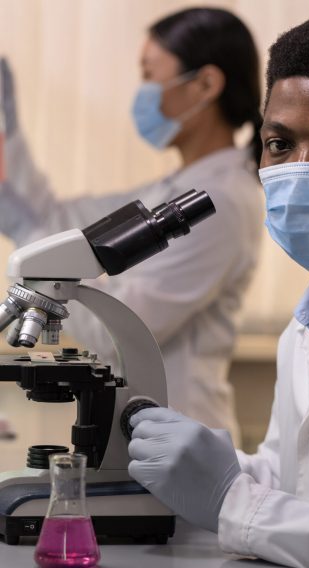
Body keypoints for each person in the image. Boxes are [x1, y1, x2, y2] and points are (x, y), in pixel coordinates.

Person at [127, 12, 309, 568]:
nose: (301, 169)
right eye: (280, 144)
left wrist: (235, 500)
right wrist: (200, 473)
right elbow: (301, 483)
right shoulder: (306, 331)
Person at [0, 7, 264, 445]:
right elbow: (57, 222)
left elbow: (118, 329)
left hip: (182, 435)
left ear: (205, 85)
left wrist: (48, 261)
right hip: (149, 432)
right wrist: (8, 136)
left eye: (150, 75)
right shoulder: (178, 188)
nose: (142, 93)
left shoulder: (218, 203)